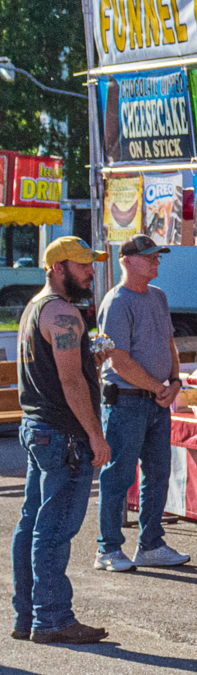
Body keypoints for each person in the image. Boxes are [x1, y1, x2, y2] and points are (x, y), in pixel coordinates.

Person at [10, 237, 110, 645]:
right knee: (52, 529)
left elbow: (61, 371)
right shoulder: (64, 313)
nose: (89, 271)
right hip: (62, 433)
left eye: (90, 264)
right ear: (57, 268)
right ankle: (51, 620)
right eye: (82, 265)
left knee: (32, 523)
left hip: (38, 427)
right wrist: (95, 434)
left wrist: (90, 359)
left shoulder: (35, 308)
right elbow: (70, 382)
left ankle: (29, 615)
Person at [93, 235, 189, 573]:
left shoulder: (158, 297)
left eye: (157, 256)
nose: (156, 262)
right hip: (127, 401)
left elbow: (169, 343)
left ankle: (151, 544)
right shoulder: (117, 302)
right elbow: (119, 360)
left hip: (153, 401)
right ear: (126, 261)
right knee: (118, 475)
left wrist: (174, 383)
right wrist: (160, 388)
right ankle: (108, 548)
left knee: (158, 474)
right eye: (149, 256)